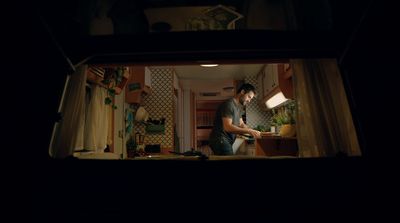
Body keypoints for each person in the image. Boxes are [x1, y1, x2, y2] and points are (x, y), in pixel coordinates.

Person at [209, 83, 261, 155]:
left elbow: (241, 124)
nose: (249, 101)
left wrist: (252, 131)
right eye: (249, 97)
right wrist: (249, 131)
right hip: (220, 139)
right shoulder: (229, 105)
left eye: (251, 99)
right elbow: (227, 127)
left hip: (225, 140)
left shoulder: (238, 107)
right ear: (242, 92)